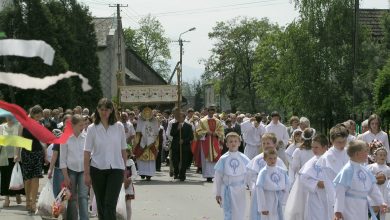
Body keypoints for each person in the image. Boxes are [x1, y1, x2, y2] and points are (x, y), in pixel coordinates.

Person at [84, 98, 127, 219]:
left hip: (116, 169)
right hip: (97, 169)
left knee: (110, 203)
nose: (104, 112)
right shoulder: (92, 128)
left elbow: (123, 150)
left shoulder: (119, 127)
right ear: (97, 110)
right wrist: (86, 174)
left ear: (111, 110)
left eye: (106, 109)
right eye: (101, 109)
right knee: (101, 204)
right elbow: (87, 152)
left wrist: (125, 170)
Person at [333, 140, 386, 220]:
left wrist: (380, 202)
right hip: (349, 207)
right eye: (365, 151)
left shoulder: (365, 170)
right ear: (357, 154)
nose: (367, 154)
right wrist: (338, 210)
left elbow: (373, 188)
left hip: (362, 207)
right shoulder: (347, 170)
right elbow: (340, 191)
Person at [15, 105, 49, 213]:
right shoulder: (23, 124)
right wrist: (17, 154)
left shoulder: (40, 124)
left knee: (36, 178)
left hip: (37, 153)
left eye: (40, 116)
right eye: (37, 116)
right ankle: (28, 201)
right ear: (32, 114)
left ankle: (33, 203)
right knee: (28, 179)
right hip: (26, 153)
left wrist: (46, 155)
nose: (38, 118)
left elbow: (42, 141)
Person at [246, 133, 286, 220]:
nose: (265, 145)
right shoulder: (257, 159)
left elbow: (283, 176)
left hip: (274, 192)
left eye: (268, 143)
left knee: (274, 213)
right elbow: (251, 174)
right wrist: (253, 187)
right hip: (260, 192)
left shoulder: (277, 160)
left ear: (274, 144)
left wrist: (281, 187)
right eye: (263, 143)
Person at [214, 132, 250, 220]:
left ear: (239, 143)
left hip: (240, 189)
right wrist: (218, 193)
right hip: (228, 189)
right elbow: (218, 177)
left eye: (235, 141)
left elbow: (249, 174)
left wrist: (251, 188)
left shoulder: (244, 158)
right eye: (230, 141)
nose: (233, 143)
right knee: (229, 211)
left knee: (240, 211)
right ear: (226, 144)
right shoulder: (223, 159)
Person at [60, 114, 89, 220]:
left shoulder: (86, 137)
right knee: (71, 198)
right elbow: (62, 160)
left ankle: (84, 218)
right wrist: (66, 176)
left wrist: (88, 173)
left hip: (84, 171)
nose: (83, 127)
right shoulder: (65, 138)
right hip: (70, 171)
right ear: (73, 125)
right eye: (80, 125)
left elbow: (90, 155)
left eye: (84, 125)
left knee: (83, 196)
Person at [299, 134, 333, 220]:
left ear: (325, 147)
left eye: (316, 147)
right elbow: (303, 178)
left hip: (330, 195)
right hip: (316, 196)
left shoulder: (332, 159)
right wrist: (316, 183)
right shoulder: (312, 162)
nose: (313, 149)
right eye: (312, 147)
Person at [256, 148, 289, 220]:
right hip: (268, 198)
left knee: (279, 216)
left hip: (280, 197)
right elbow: (259, 188)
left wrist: (284, 196)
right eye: (270, 158)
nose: (273, 160)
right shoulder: (263, 172)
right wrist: (263, 207)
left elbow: (287, 184)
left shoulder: (281, 171)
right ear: (265, 159)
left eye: (274, 158)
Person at [195, 105, 224, 182]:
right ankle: (208, 175)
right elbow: (198, 131)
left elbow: (221, 131)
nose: (211, 112)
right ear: (207, 111)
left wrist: (217, 133)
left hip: (214, 141)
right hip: (206, 141)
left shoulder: (218, 121)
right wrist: (206, 132)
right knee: (206, 158)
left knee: (215, 157)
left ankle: (214, 175)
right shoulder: (202, 121)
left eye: (213, 110)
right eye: (210, 110)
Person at [0, 116, 23, 207]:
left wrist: (17, 154)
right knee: (5, 177)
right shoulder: (1, 127)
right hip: (4, 156)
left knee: (16, 175)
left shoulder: (18, 126)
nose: (9, 118)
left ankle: (18, 194)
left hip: (16, 154)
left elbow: (19, 141)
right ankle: (7, 198)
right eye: (8, 116)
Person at [133, 107, 160, 181]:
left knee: (150, 161)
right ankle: (142, 173)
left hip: (151, 145)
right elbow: (138, 134)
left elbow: (156, 134)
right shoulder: (140, 122)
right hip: (142, 144)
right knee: (142, 160)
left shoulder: (154, 121)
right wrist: (137, 142)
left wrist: (152, 141)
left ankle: (149, 174)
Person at [367, 147, 390, 220]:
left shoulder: (387, 168)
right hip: (375, 190)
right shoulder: (371, 167)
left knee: (383, 210)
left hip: (384, 190)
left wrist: (385, 178)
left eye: (384, 155)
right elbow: (367, 177)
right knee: (375, 209)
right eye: (380, 155)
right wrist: (376, 178)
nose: (382, 157)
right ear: (375, 156)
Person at [170, 112, 194, 181]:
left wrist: (184, 141)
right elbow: (172, 134)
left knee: (184, 162)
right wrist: (177, 129)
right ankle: (176, 173)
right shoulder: (174, 125)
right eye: (178, 117)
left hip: (185, 147)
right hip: (175, 146)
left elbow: (191, 137)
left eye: (181, 117)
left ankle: (182, 175)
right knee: (175, 161)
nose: (179, 119)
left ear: (184, 117)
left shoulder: (188, 126)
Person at [125, 149, 137, 220]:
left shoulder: (130, 162)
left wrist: (130, 179)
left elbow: (134, 174)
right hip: (118, 186)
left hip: (128, 187)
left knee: (128, 205)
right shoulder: (118, 161)